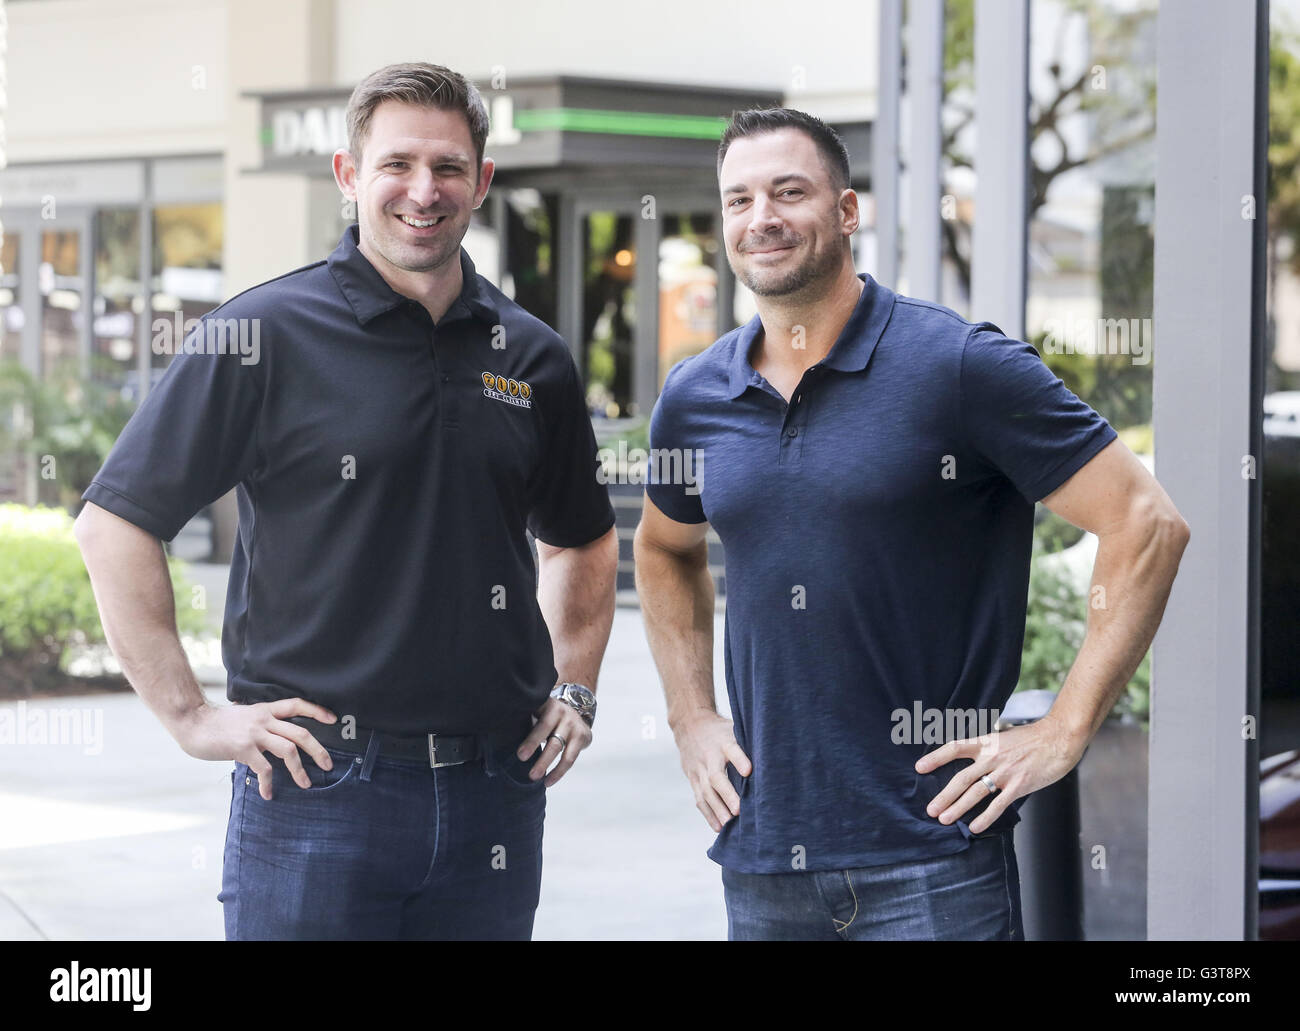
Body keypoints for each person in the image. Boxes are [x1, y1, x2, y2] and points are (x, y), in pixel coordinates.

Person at [74, 62, 618, 941]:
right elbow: (114, 523)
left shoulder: (532, 356)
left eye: (448, 168)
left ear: (481, 182)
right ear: (348, 175)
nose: (422, 191)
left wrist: (577, 688)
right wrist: (191, 715)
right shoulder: (262, 335)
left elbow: (583, 542)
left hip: (495, 795)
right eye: (397, 164)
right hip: (319, 789)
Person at [634, 107, 1189, 941]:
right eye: (739, 199)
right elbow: (664, 548)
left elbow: (1146, 521)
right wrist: (691, 715)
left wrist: (1065, 728)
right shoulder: (694, 397)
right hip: (762, 856)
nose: (763, 218)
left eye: (789, 191)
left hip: (933, 860)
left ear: (847, 212)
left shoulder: (960, 367)